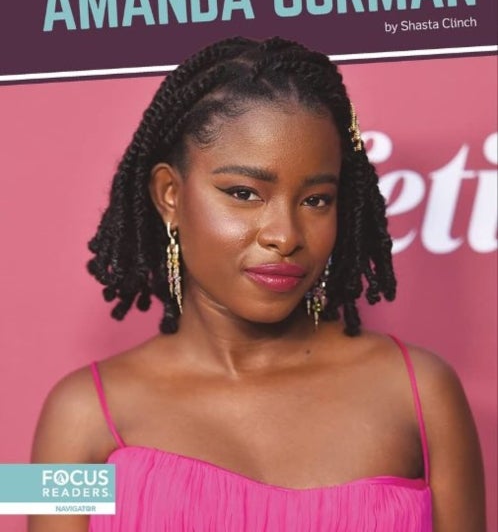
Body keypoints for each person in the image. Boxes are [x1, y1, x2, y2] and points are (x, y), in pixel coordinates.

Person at [30, 37, 486, 532]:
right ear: (170, 195)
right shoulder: (78, 413)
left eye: (316, 200)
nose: (286, 236)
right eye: (244, 193)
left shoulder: (422, 393)